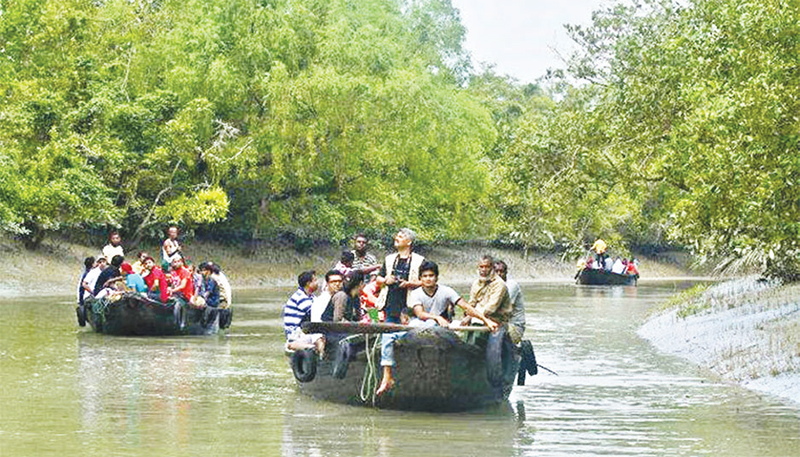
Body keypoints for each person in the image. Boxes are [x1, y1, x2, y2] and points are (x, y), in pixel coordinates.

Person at [376, 260, 498, 395]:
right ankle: (387, 376)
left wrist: (486, 321)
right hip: (419, 325)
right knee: (387, 335)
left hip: (437, 328)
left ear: (436, 277)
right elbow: (420, 314)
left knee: (435, 326)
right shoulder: (416, 293)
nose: (428, 279)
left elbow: (466, 307)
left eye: (431, 276)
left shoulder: (446, 291)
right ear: (420, 279)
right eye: (425, 276)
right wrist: (437, 317)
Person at [376, 228, 424, 323]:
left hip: (410, 308)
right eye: (397, 236)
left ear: (409, 242)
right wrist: (386, 280)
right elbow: (378, 279)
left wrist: (409, 284)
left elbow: (426, 282)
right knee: (388, 335)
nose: (396, 238)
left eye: (400, 237)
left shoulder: (419, 261)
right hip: (390, 307)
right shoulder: (389, 259)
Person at [461, 255, 512, 328]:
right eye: (481, 267)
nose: (484, 270)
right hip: (477, 318)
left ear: (492, 268)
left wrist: (472, 316)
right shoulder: (476, 283)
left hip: (497, 322)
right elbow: (472, 303)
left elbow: (491, 308)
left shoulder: (499, 284)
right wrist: (467, 314)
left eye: (487, 267)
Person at [283, 270, 324, 352]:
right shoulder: (300, 297)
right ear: (308, 283)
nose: (318, 283)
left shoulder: (311, 296)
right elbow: (316, 313)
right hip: (295, 333)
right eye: (315, 280)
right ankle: (293, 345)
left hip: (303, 329)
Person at [494, 260, 525, 344]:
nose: (499, 274)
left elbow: (502, 310)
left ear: (506, 273)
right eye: (496, 272)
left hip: (514, 327)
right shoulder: (490, 286)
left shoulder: (511, 285)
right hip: (497, 323)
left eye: (501, 271)